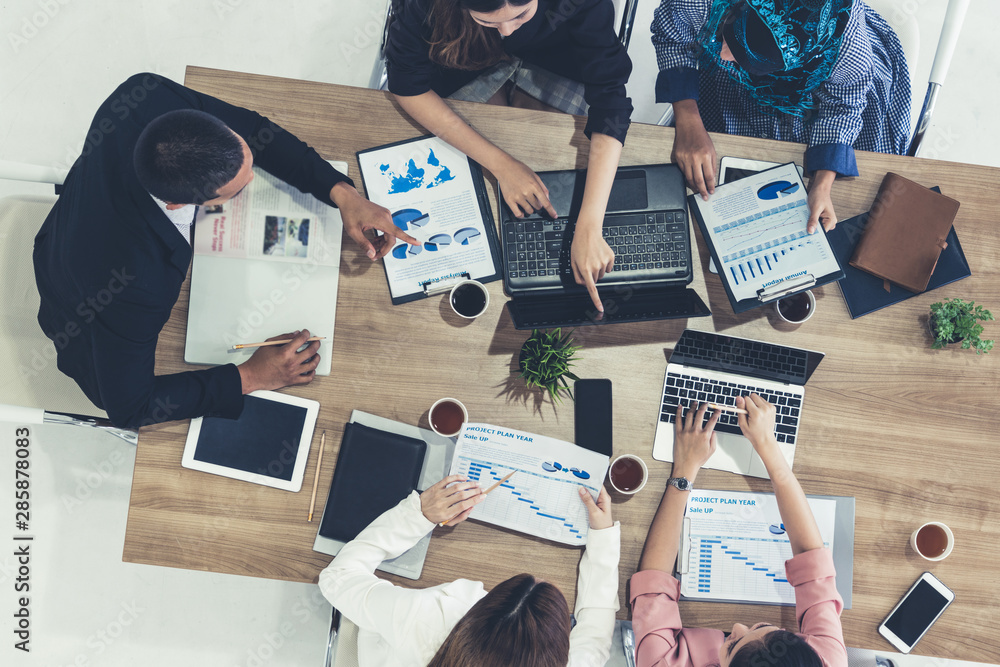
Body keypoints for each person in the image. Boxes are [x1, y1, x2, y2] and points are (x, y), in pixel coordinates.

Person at [33, 73, 419, 429]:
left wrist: (343, 193)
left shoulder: (145, 95)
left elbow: (254, 130)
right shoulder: (136, 284)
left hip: (82, 214)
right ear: (176, 205)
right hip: (81, 310)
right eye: (237, 187)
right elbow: (129, 407)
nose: (251, 180)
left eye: (246, 162)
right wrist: (252, 376)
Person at [386, 0, 634, 312]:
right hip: (464, 62)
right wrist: (501, 164)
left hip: (557, 60)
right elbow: (407, 84)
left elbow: (611, 102)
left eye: (520, 14)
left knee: (548, 177)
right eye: (489, 20)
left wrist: (590, 227)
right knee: (483, 193)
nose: (507, 30)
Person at [652, 0, 911, 232]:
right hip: (732, 89)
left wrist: (822, 182)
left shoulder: (843, 45)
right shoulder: (700, 3)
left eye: (743, 58)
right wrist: (688, 121)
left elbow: (844, 103)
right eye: (727, 35)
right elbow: (673, 36)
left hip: (819, 102)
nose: (721, 55)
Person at [630, 397, 846, 667]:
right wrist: (767, 446)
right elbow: (811, 559)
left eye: (731, 644)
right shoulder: (823, 660)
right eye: (764, 626)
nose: (737, 625)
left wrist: (684, 470)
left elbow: (653, 588)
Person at [319, 474, 620, 666]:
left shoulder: (428, 621)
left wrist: (418, 515)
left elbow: (337, 579)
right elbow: (595, 636)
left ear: (477, 612)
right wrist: (603, 536)